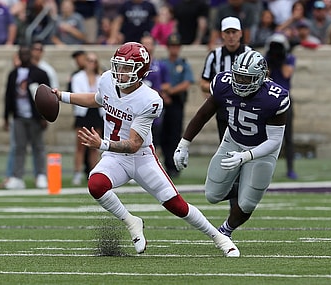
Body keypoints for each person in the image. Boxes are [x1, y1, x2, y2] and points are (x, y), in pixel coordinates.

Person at [51, 41, 239, 257]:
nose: (119, 72)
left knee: (177, 205)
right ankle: (132, 222)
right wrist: (61, 96)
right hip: (115, 157)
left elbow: (133, 145)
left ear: (139, 71)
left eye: (126, 68)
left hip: (141, 158)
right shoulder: (107, 81)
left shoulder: (150, 100)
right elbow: (96, 100)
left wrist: (101, 144)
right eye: (118, 66)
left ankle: (219, 237)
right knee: (96, 185)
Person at [173, 50, 290, 242]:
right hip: (233, 140)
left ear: (261, 77)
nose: (241, 82)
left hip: (262, 148)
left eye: (247, 78)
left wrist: (246, 157)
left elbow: (275, 141)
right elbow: (203, 114)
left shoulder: (274, 98)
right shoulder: (224, 84)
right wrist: (183, 145)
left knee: (247, 203)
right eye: (239, 76)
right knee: (212, 195)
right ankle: (244, 184)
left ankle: (226, 229)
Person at [3, 45, 50, 190]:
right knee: (19, 148)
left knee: (38, 147)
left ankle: (41, 175)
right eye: (21, 53)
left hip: (36, 117)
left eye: (26, 53)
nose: (24, 56)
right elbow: (8, 97)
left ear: (30, 55)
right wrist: (6, 117)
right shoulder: (13, 74)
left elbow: (47, 97)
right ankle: (17, 177)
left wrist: (45, 117)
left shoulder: (40, 73)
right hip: (19, 117)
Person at [201, 16, 252, 142]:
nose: (231, 36)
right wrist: (220, 87)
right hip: (223, 109)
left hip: (245, 108)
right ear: (222, 35)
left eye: (234, 32)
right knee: (225, 147)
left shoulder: (249, 53)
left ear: (240, 33)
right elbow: (203, 83)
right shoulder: (214, 55)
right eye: (227, 32)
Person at [160, 33, 194, 178]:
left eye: (176, 46)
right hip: (162, 101)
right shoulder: (163, 64)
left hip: (176, 102)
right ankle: (167, 163)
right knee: (162, 134)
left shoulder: (183, 64)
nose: (174, 49)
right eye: (171, 46)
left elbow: (187, 83)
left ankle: (174, 166)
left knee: (175, 133)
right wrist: (164, 93)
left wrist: (171, 91)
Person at [265, 33, 297, 180]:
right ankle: (264, 170)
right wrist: (270, 60)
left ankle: (290, 169)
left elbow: (286, 73)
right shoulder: (266, 59)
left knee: (288, 137)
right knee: (264, 137)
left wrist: (281, 58)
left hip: (285, 100)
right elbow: (265, 76)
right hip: (268, 100)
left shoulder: (289, 58)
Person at [70, 51, 104, 186]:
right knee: (80, 146)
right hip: (83, 113)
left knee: (95, 146)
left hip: (96, 112)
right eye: (89, 60)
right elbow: (79, 94)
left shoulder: (100, 78)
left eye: (93, 61)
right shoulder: (77, 77)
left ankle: (93, 173)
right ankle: (77, 173)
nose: (91, 63)